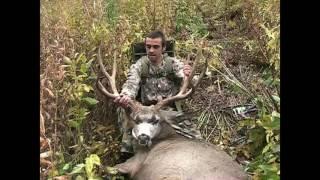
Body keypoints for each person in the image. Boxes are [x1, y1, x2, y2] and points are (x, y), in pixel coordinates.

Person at [114, 30, 202, 160]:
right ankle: (127, 151)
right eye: (148, 46)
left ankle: (200, 150)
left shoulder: (173, 63)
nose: (151, 50)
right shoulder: (140, 65)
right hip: (145, 110)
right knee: (123, 109)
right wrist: (125, 95)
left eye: (155, 47)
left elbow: (190, 82)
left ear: (164, 48)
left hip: (165, 109)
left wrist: (189, 75)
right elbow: (131, 83)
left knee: (194, 136)